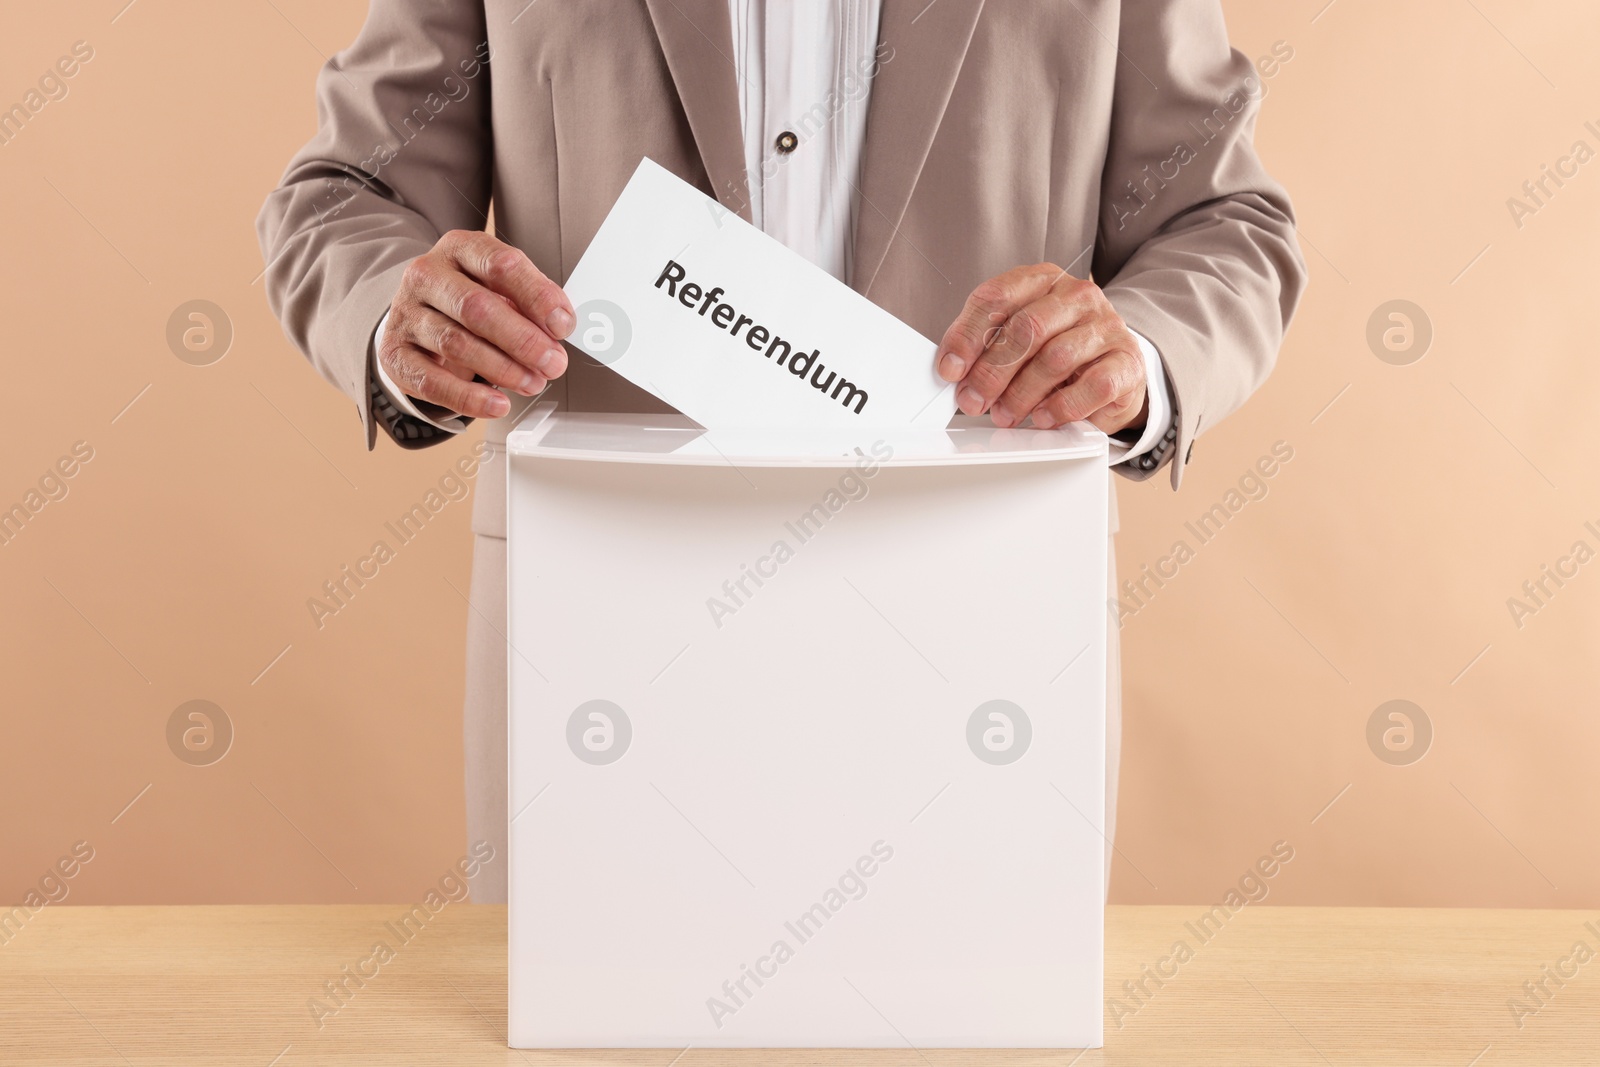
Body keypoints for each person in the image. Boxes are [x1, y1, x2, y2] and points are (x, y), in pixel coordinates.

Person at [258, 0, 1305, 903]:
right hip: (602, 632)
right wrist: (405, 315)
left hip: (983, 629)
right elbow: (345, 194)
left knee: (982, 1023)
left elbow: (1224, 220)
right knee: (582, 1028)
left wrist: (1143, 351)